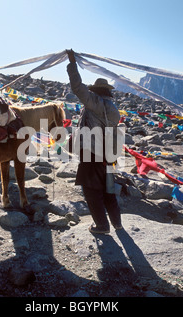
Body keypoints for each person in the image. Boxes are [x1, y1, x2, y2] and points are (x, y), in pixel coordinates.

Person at [66, 49, 122, 234]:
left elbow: (77, 87)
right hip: (109, 154)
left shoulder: (96, 103)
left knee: (92, 190)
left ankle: (102, 226)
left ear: (96, 92)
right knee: (108, 190)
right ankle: (117, 223)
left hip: (93, 152)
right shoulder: (113, 108)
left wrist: (72, 63)